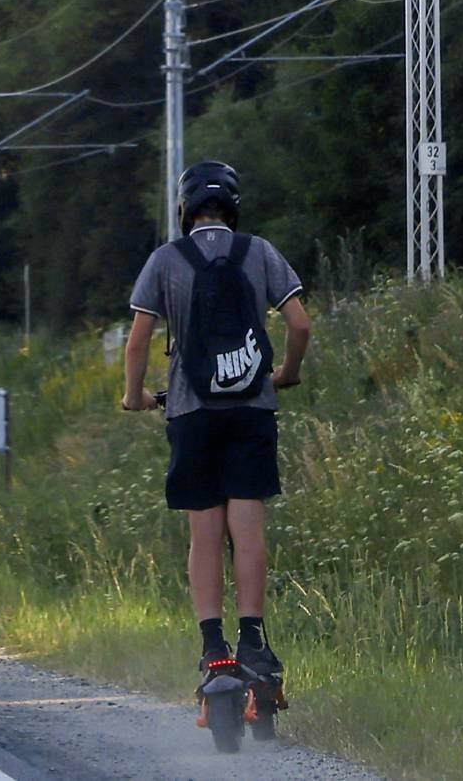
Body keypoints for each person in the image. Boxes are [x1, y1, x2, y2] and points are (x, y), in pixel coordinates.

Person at [121, 160, 311, 684]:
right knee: (247, 530)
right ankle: (253, 640)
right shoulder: (259, 252)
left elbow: (138, 341)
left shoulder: (166, 259)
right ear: (232, 205)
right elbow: (300, 323)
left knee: (204, 535)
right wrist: (284, 375)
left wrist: (134, 396)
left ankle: (213, 648)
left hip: (191, 411)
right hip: (252, 408)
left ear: (185, 211)